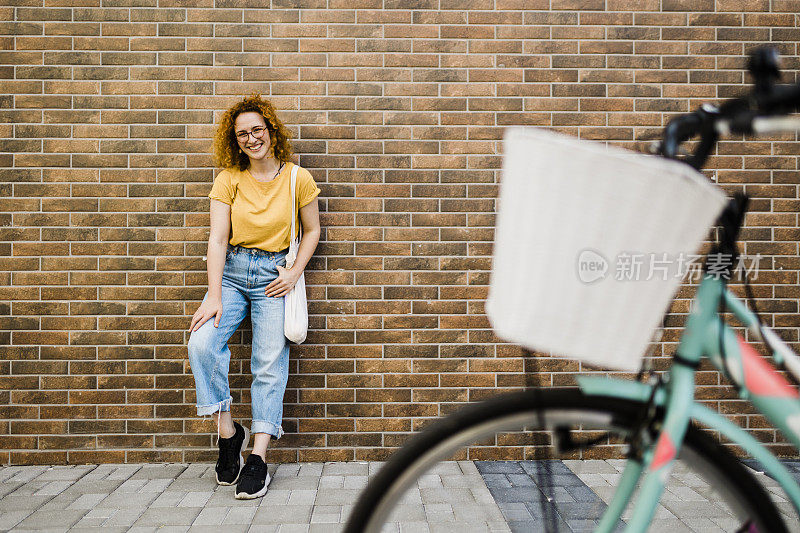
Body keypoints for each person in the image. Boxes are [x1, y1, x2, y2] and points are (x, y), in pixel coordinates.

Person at [187, 95, 320, 499]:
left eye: (257, 130)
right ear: (236, 140)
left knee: (268, 363)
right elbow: (217, 237)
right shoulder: (228, 178)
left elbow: (312, 230)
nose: (251, 138)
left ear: (270, 131)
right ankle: (229, 435)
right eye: (242, 133)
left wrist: (294, 272)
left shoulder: (298, 178)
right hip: (230, 274)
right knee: (202, 343)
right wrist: (213, 295)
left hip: (273, 276)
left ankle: (258, 458)